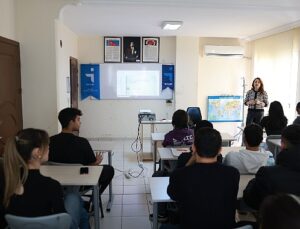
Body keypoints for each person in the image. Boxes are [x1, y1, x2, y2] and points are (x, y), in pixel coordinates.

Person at [0, 128, 89, 229]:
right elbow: (61, 221)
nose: (49, 148)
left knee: (78, 205)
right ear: (37, 152)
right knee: (74, 199)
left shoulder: (7, 182)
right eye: (47, 145)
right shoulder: (51, 185)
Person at [167, 127, 240, 229]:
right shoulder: (233, 174)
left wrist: (190, 162)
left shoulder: (180, 175)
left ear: (194, 148)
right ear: (220, 150)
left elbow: (173, 195)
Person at [49, 108, 114, 196]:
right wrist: (97, 161)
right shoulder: (82, 142)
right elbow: (91, 165)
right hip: (81, 181)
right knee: (109, 169)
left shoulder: (50, 140)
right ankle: (95, 198)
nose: (80, 122)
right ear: (71, 122)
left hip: (57, 182)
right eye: (78, 119)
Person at [243, 124, 300, 210]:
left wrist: (253, 181)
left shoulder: (268, 174)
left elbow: (251, 200)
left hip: (275, 221)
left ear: (283, 145)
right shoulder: (269, 162)